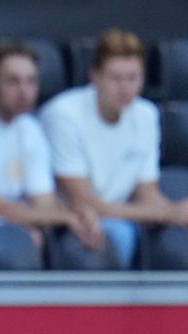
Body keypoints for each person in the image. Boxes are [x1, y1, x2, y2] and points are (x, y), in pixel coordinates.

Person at [40, 28, 188, 269]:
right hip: (74, 221)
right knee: (107, 240)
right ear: (95, 76)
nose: (125, 87)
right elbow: (82, 201)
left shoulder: (146, 114)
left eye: (133, 78)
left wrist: (176, 211)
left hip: (126, 219)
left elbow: (146, 192)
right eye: (116, 78)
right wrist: (168, 213)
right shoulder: (63, 114)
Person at [0, 40, 102, 258]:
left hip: (11, 220)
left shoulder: (30, 128)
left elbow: (43, 200)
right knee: (29, 238)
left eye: (31, 81)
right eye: (13, 81)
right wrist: (65, 217)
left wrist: (77, 213)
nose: (24, 91)